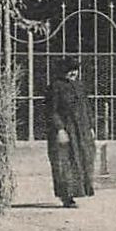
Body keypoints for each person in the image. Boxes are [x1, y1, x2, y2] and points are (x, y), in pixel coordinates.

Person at [46, 60, 96, 208]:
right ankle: (66, 196)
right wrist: (60, 129)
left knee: (83, 160)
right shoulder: (55, 87)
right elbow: (51, 111)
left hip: (81, 131)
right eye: (70, 70)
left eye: (76, 70)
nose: (74, 73)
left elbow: (87, 107)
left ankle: (80, 191)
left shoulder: (79, 86)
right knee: (65, 163)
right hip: (65, 132)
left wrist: (91, 127)